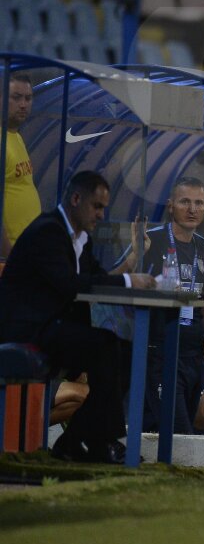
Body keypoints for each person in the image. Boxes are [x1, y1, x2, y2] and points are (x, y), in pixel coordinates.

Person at [0, 170, 154, 462]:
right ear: (75, 199)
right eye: (97, 207)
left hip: (55, 327)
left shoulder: (81, 239)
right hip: (28, 331)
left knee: (124, 349)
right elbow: (70, 284)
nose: (100, 214)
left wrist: (131, 273)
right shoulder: (48, 232)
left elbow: (95, 278)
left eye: (104, 208)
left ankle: (78, 441)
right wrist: (131, 282)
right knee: (106, 347)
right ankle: (99, 442)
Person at [117, 176, 204, 435]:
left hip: (194, 353)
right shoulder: (151, 240)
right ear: (170, 206)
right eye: (185, 202)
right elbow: (115, 279)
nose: (192, 209)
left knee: (177, 429)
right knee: (180, 433)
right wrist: (135, 256)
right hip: (161, 351)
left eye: (199, 203)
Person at [2, 72, 39, 262]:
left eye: (28, 98)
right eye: (16, 98)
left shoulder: (15, 136)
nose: (23, 104)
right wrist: (10, 258)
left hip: (27, 249)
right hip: (11, 257)